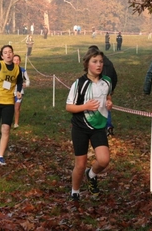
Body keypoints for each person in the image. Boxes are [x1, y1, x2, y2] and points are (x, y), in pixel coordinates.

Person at [66, 47, 113, 201]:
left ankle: (91, 174)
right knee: (80, 164)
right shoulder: (79, 84)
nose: (99, 65)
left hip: (98, 127)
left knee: (104, 160)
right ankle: (75, 191)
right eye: (95, 61)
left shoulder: (107, 81)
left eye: (101, 62)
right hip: (80, 128)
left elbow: (108, 96)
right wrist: (85, 107)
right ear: (87, 64)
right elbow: (69, 107)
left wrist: (109, 103)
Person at [89, 45, 117, 136]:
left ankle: (105, 126)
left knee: (103, 106)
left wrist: (109, 89)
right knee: (106, 106)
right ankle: (107, 126)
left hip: (102, 86)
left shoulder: (101, 64)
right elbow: (115, 77)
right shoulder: (109, 62)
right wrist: (112, 89)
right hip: (107, 87)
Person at [12, 54, 30, 128]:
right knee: (9, 107)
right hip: (9, 91)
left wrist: (26, 84)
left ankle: (16, 123)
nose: (16, 62)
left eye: (17, 60)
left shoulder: (23, 70)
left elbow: (28, 80)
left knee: (17, 107)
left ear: (20, 61)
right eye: (14, 60)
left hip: (19, 92)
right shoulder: (8, 70)